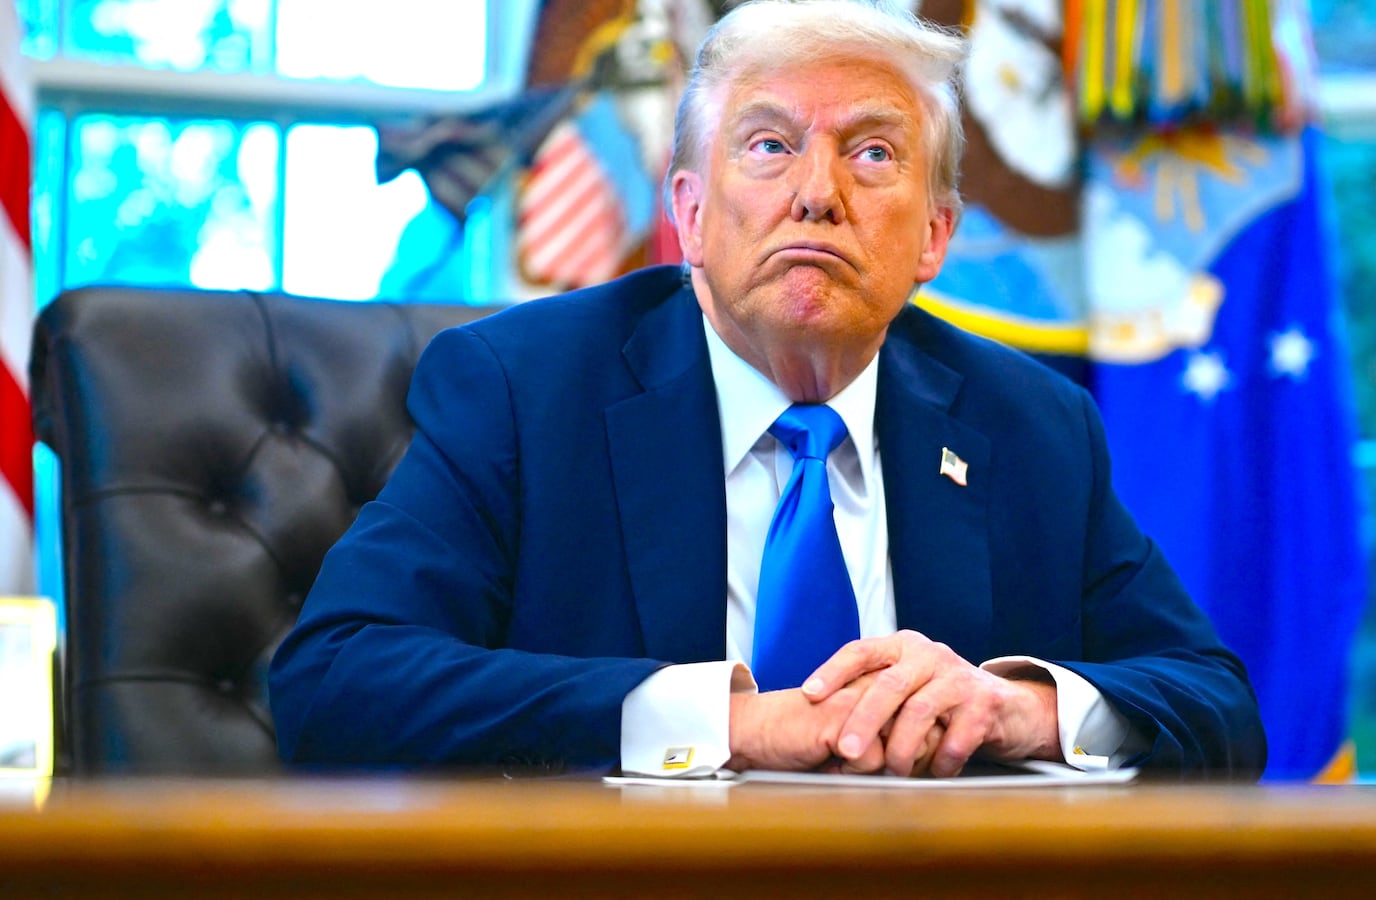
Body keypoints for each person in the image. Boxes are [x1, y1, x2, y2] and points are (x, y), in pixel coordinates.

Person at [268, 0, 1267, 780]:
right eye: (768, 144)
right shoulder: (525, 389)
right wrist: (730, 724)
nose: (817, 192)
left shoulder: (1029, 423)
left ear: (934, 236)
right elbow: (336, 679)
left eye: (872, 152)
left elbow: (1213, 701)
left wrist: (1019, 706)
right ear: (690, 217)